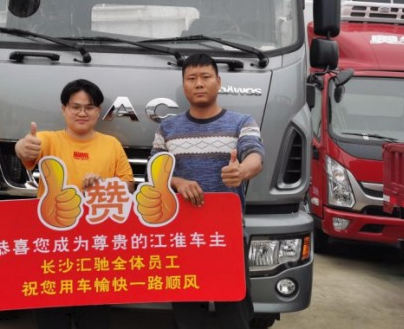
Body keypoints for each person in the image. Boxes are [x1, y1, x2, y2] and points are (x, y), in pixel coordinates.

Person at [150, 53, 264, 329]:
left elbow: (255, 155)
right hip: (182, 236)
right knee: (187, 313)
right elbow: (154, 171)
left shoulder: (241, 122)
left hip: (227, 235)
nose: (199, 84)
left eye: (205, 77)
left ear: (218, 82)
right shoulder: (168, 127)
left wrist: (242, 171)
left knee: (234, 311)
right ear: (184, 85)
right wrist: (178, 182)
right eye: (191, 78)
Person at [15, 78, 134, 329]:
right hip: (52, 246)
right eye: (75, 107)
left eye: (89, 107)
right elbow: (26, 148)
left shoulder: (112, 145)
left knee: (94, 318)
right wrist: (22, 147)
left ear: (98, 111)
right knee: (51, 317)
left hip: (96, 247)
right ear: (64, 109)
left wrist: (105, 185)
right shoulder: (48, 140)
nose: (82, 113)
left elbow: (129, 185)